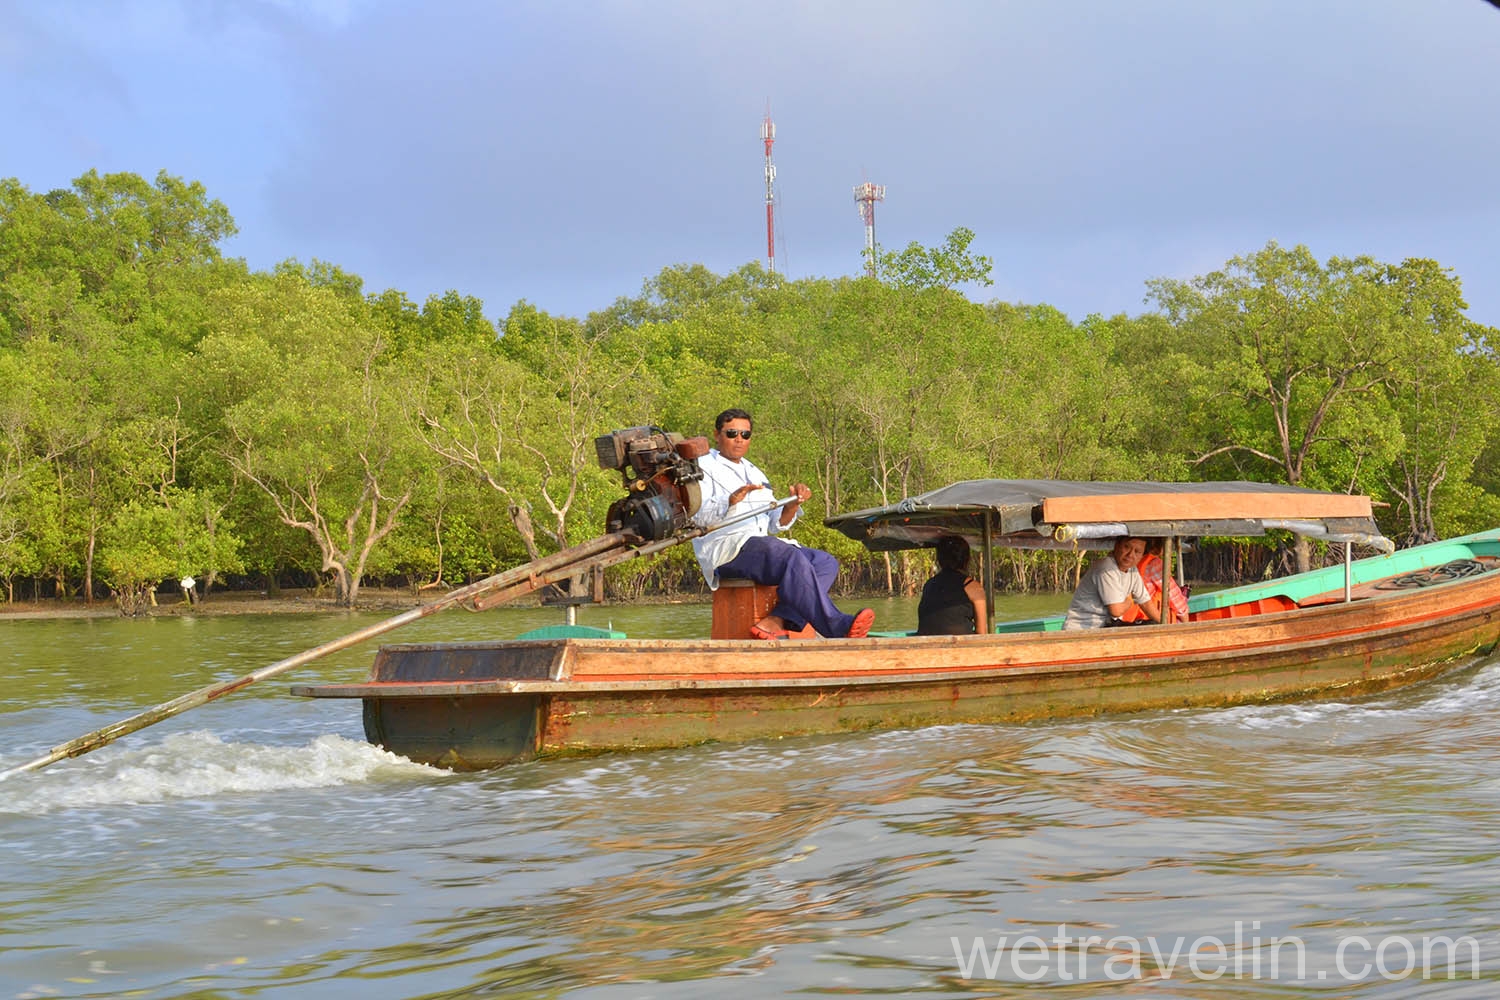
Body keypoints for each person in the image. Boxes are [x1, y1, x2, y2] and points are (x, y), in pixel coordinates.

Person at [691, 408, 874, 640]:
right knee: (788, 556)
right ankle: (837, 626)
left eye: (745, 435)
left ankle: (776, 621)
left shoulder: (755, 472)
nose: (739, 439)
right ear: (717, 435)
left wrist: (793, 505)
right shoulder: (701, 468)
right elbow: (693, 516)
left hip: (760, 547)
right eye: (732, 433)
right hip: (727, 551)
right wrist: (729, 502)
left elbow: (775, 524)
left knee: (825, 562)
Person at [1062, 536, 1161, 630]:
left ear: (1142, 555)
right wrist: (1129, 600)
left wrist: (1165, 625)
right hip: (1084, 629)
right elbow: (1116, 611)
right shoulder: (1106, 567)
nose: (1130, 555)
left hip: (1107, 627)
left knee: (1152, 625)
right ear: (1117, 545)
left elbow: (1146, 603)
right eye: (1126, 547)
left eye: (1137, 551)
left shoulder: (1132, 570)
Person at [917, 535, 988, 635]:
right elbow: (982, 632)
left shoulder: (928, 585)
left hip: (926, 644)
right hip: (959, 645)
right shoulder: (972, 586)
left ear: (939, 560)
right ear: (967, 559)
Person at [1121, 538, 1190, 624]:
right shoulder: (1154, 563)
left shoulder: (1128, 562)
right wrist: (1185, 621)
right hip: (1146, 621)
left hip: (1126, 618)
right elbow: (1174, 597)